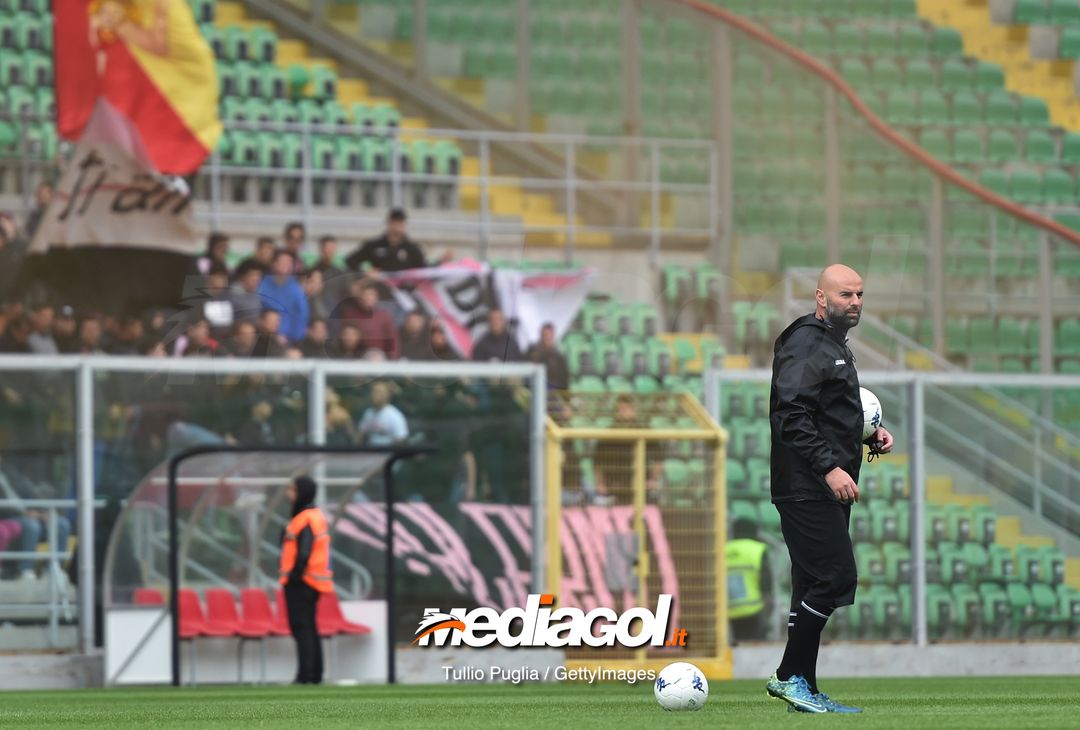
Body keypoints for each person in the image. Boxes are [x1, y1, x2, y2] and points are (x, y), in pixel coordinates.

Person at [766, 264, 893, 715]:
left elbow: (826, 413)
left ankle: (806, 689)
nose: (855, 302)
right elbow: (791, 413)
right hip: (806, 486)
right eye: (845, 295)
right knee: (836, 578)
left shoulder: (833, 345)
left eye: (859, 294)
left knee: (809, 587)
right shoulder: (806, 342)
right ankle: (786, 677)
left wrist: (867, 434)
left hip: (820, 484)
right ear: (821, 298)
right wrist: (830, 469)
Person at [279, 475, 333, 685]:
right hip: (311, 582)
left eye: (292, 490)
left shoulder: (305, 518)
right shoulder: (314, 516)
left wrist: (294, 575)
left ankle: (306, 676)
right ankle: (314, 674)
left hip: (302, 582)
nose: (288, 494)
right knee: (309, 628)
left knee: (302, 628)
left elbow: (304, 550)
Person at [727, 518, 773, 642]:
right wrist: (768, 605)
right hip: (754, 609)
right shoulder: (757, 549)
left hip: (729, 610)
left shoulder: (723, 549)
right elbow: (766, 582)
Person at [345, 208, 428, 273]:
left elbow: (424, 270)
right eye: (395, 222)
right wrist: (364, 273)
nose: (398, 225)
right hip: (380, 289)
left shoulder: (412, 248)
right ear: (388, 223)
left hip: (404, 290)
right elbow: (351, 260)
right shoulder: (374, 245)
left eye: (401, 222)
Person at [330, 280, 398, 359]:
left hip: (378, 358)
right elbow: (343, 338)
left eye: (371, 295)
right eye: (365, 295)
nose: (368, 298)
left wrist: (393, 360)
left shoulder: (384, 316)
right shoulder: (349, 314)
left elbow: (393, 340)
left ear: (376, 298)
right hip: (354, 356)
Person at [257, 250, 309, 345]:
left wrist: (292, 337)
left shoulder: (296, 290)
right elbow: (256, 311)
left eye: (288, 262)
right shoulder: (262, 285)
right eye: (282, 262)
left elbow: (302, 316)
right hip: (264, 335)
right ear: (273, 264)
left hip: (288, 339)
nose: (285, 265)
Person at [357, 381, 409, 446]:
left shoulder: (395, 415)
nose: (374, 395)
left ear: (387, 395)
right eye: (373, 391)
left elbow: (401, 440)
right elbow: (360, 436)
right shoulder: (368, 413)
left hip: (388, 453)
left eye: (378, 392)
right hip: (370, 453)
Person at [526, 322, 569, 389]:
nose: (548, 338)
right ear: (541, 335)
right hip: (537, 388)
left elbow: (564, 380)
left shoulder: (559, 357)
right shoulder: (532, 351)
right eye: (545, 335)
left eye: (550, 335)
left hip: (555, 392)